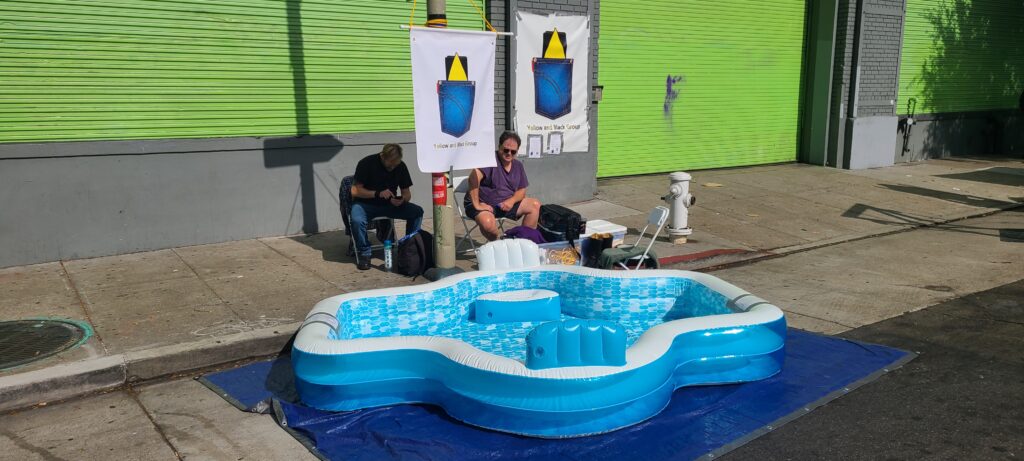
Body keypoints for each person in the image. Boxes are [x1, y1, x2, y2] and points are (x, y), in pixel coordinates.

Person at [350, 144, 423, 270]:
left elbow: (407, 193)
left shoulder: (401, 166)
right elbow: (355, 191)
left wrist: (402, 200)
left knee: (417, 212)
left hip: (390, 205)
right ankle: (364, 253)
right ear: (382, 156)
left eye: (396, 164)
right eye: (390, 164)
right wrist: (377, 193)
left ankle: (408, 247)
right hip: (365, 204)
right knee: (356, 219)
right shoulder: (366, 163)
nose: (393, 167)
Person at [464, 131, 542, 241]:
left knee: (535, 205)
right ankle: (498, 243)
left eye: (513, 151)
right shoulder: (490, 160)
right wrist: (477, 204)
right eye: (506, 150)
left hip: (505, 205)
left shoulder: (518, 165)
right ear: (499, 146)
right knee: (488, 224)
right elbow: (473, 178)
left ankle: (523, 242)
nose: (509, 153)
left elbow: (521, 190)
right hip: (485, 205)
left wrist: (511, 201)